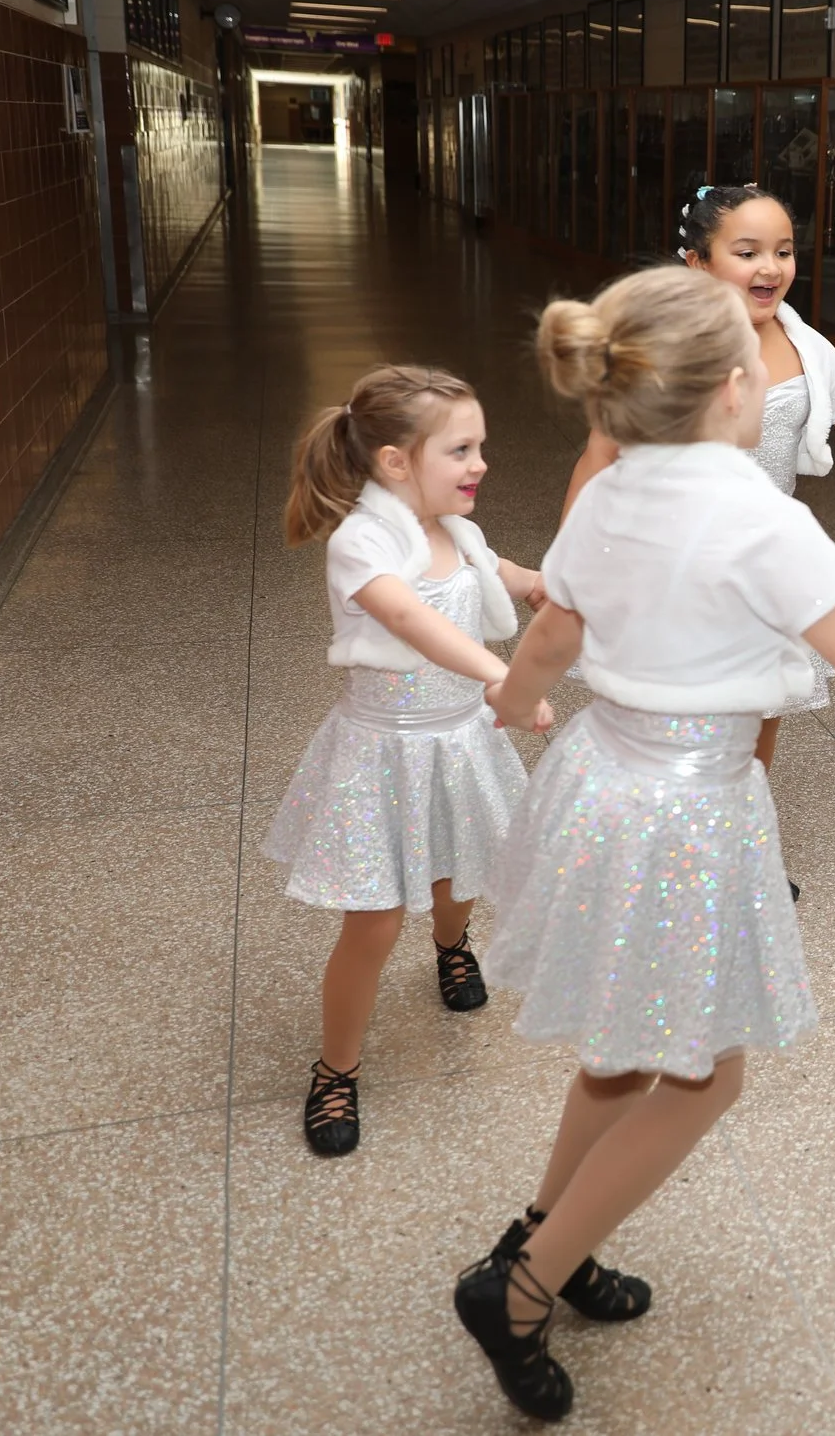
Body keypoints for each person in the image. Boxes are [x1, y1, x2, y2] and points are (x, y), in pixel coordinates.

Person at [455, 266, 835, 1422]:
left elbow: (549, 634)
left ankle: (550, 1234)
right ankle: (523, 1284)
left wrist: (507, 704)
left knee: (621, 1049)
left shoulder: (605, 493)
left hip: (604, 783)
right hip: (689, 813)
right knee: (702, 1073)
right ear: (738, 390)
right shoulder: (759, 516)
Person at [562, 187, 835, 797]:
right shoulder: (657, 351)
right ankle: (672, 831)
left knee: (762, 704)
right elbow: (600, 456)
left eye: (784, 251)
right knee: (676, 706)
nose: (771, 267)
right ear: (697, 263)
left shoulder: (805, 347)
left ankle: (743, 835)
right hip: (673, 557)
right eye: (747, 251)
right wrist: (570, 563)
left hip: (762, 559)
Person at [265, 366, 548, 1157]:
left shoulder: (457, 532)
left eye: (480, 446)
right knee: (376, 919)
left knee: (459, 877)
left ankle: (452, 946)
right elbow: (411, 620)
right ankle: (336, 1069)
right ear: (395, 462)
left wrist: (545, 588)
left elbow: (505, 578)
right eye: (461, 449)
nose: (480, 462)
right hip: (383, 754)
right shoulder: (364, 541)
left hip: (459, 743)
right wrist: (505, 675)